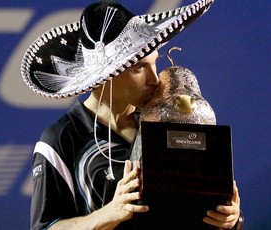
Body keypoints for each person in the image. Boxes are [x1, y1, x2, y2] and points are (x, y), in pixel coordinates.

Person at [21, 0, 243, 229]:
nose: (154, 80)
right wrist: (108, 214)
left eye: (154, 63)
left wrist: (231, 218)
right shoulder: (60, 140)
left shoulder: (168, 123)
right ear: (105, 76)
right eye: (138, 68)